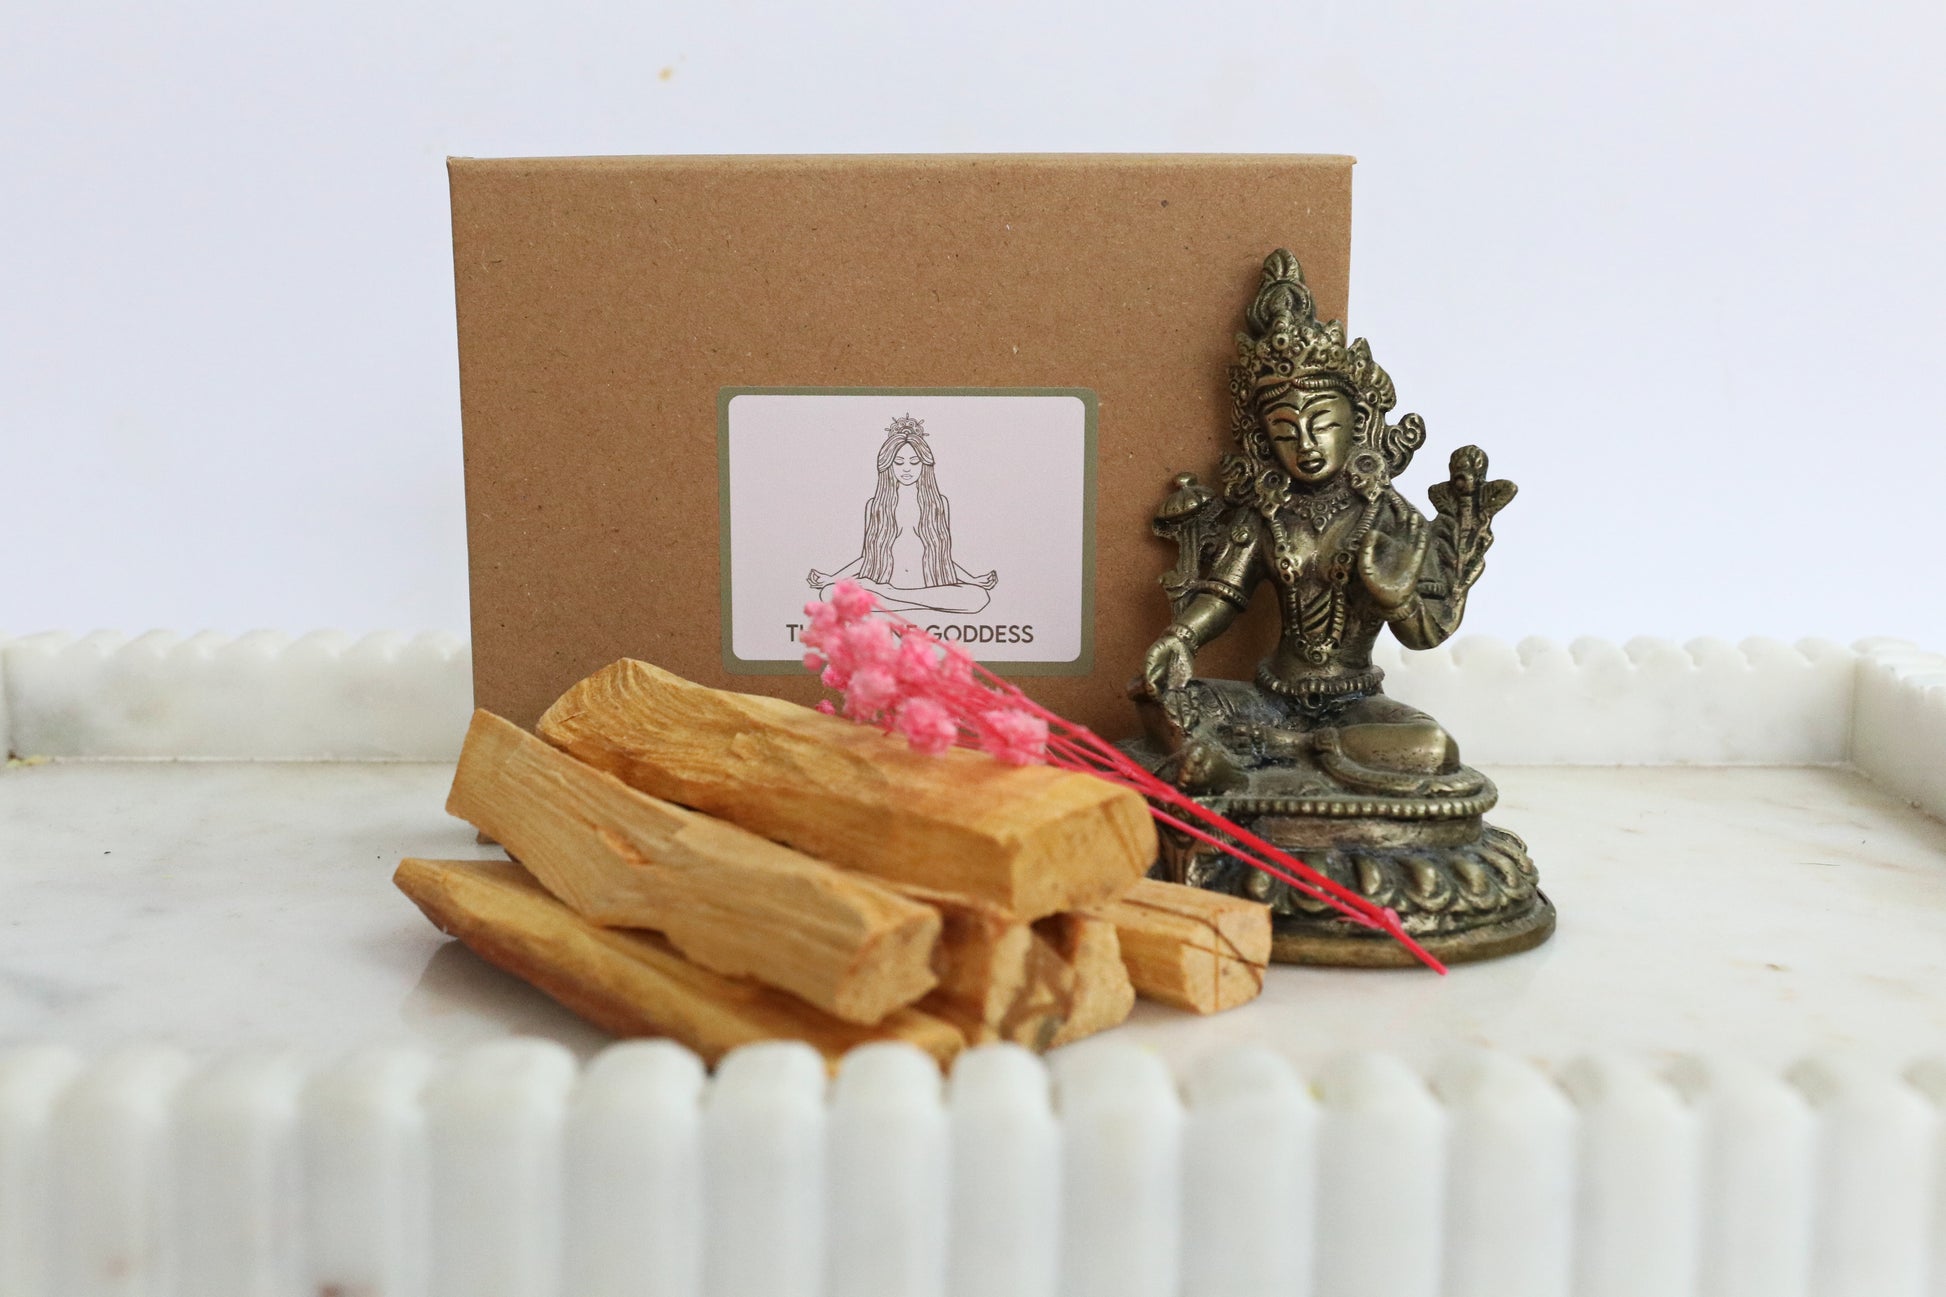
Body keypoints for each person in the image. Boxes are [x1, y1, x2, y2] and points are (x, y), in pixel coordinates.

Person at [808, 415, 997, 615]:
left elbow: (944, 558)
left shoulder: (938, 504)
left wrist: (972, 580)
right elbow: (867, 557)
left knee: (979, 596)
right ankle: (906, 600)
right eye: (898, 462)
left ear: (924, 465)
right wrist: (833, 579)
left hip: (926, 587)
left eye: (914, 462)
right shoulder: (876, 505)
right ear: (888, 465)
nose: (907, 469)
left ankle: (891, 597)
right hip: (884, 583)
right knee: (828, 593)